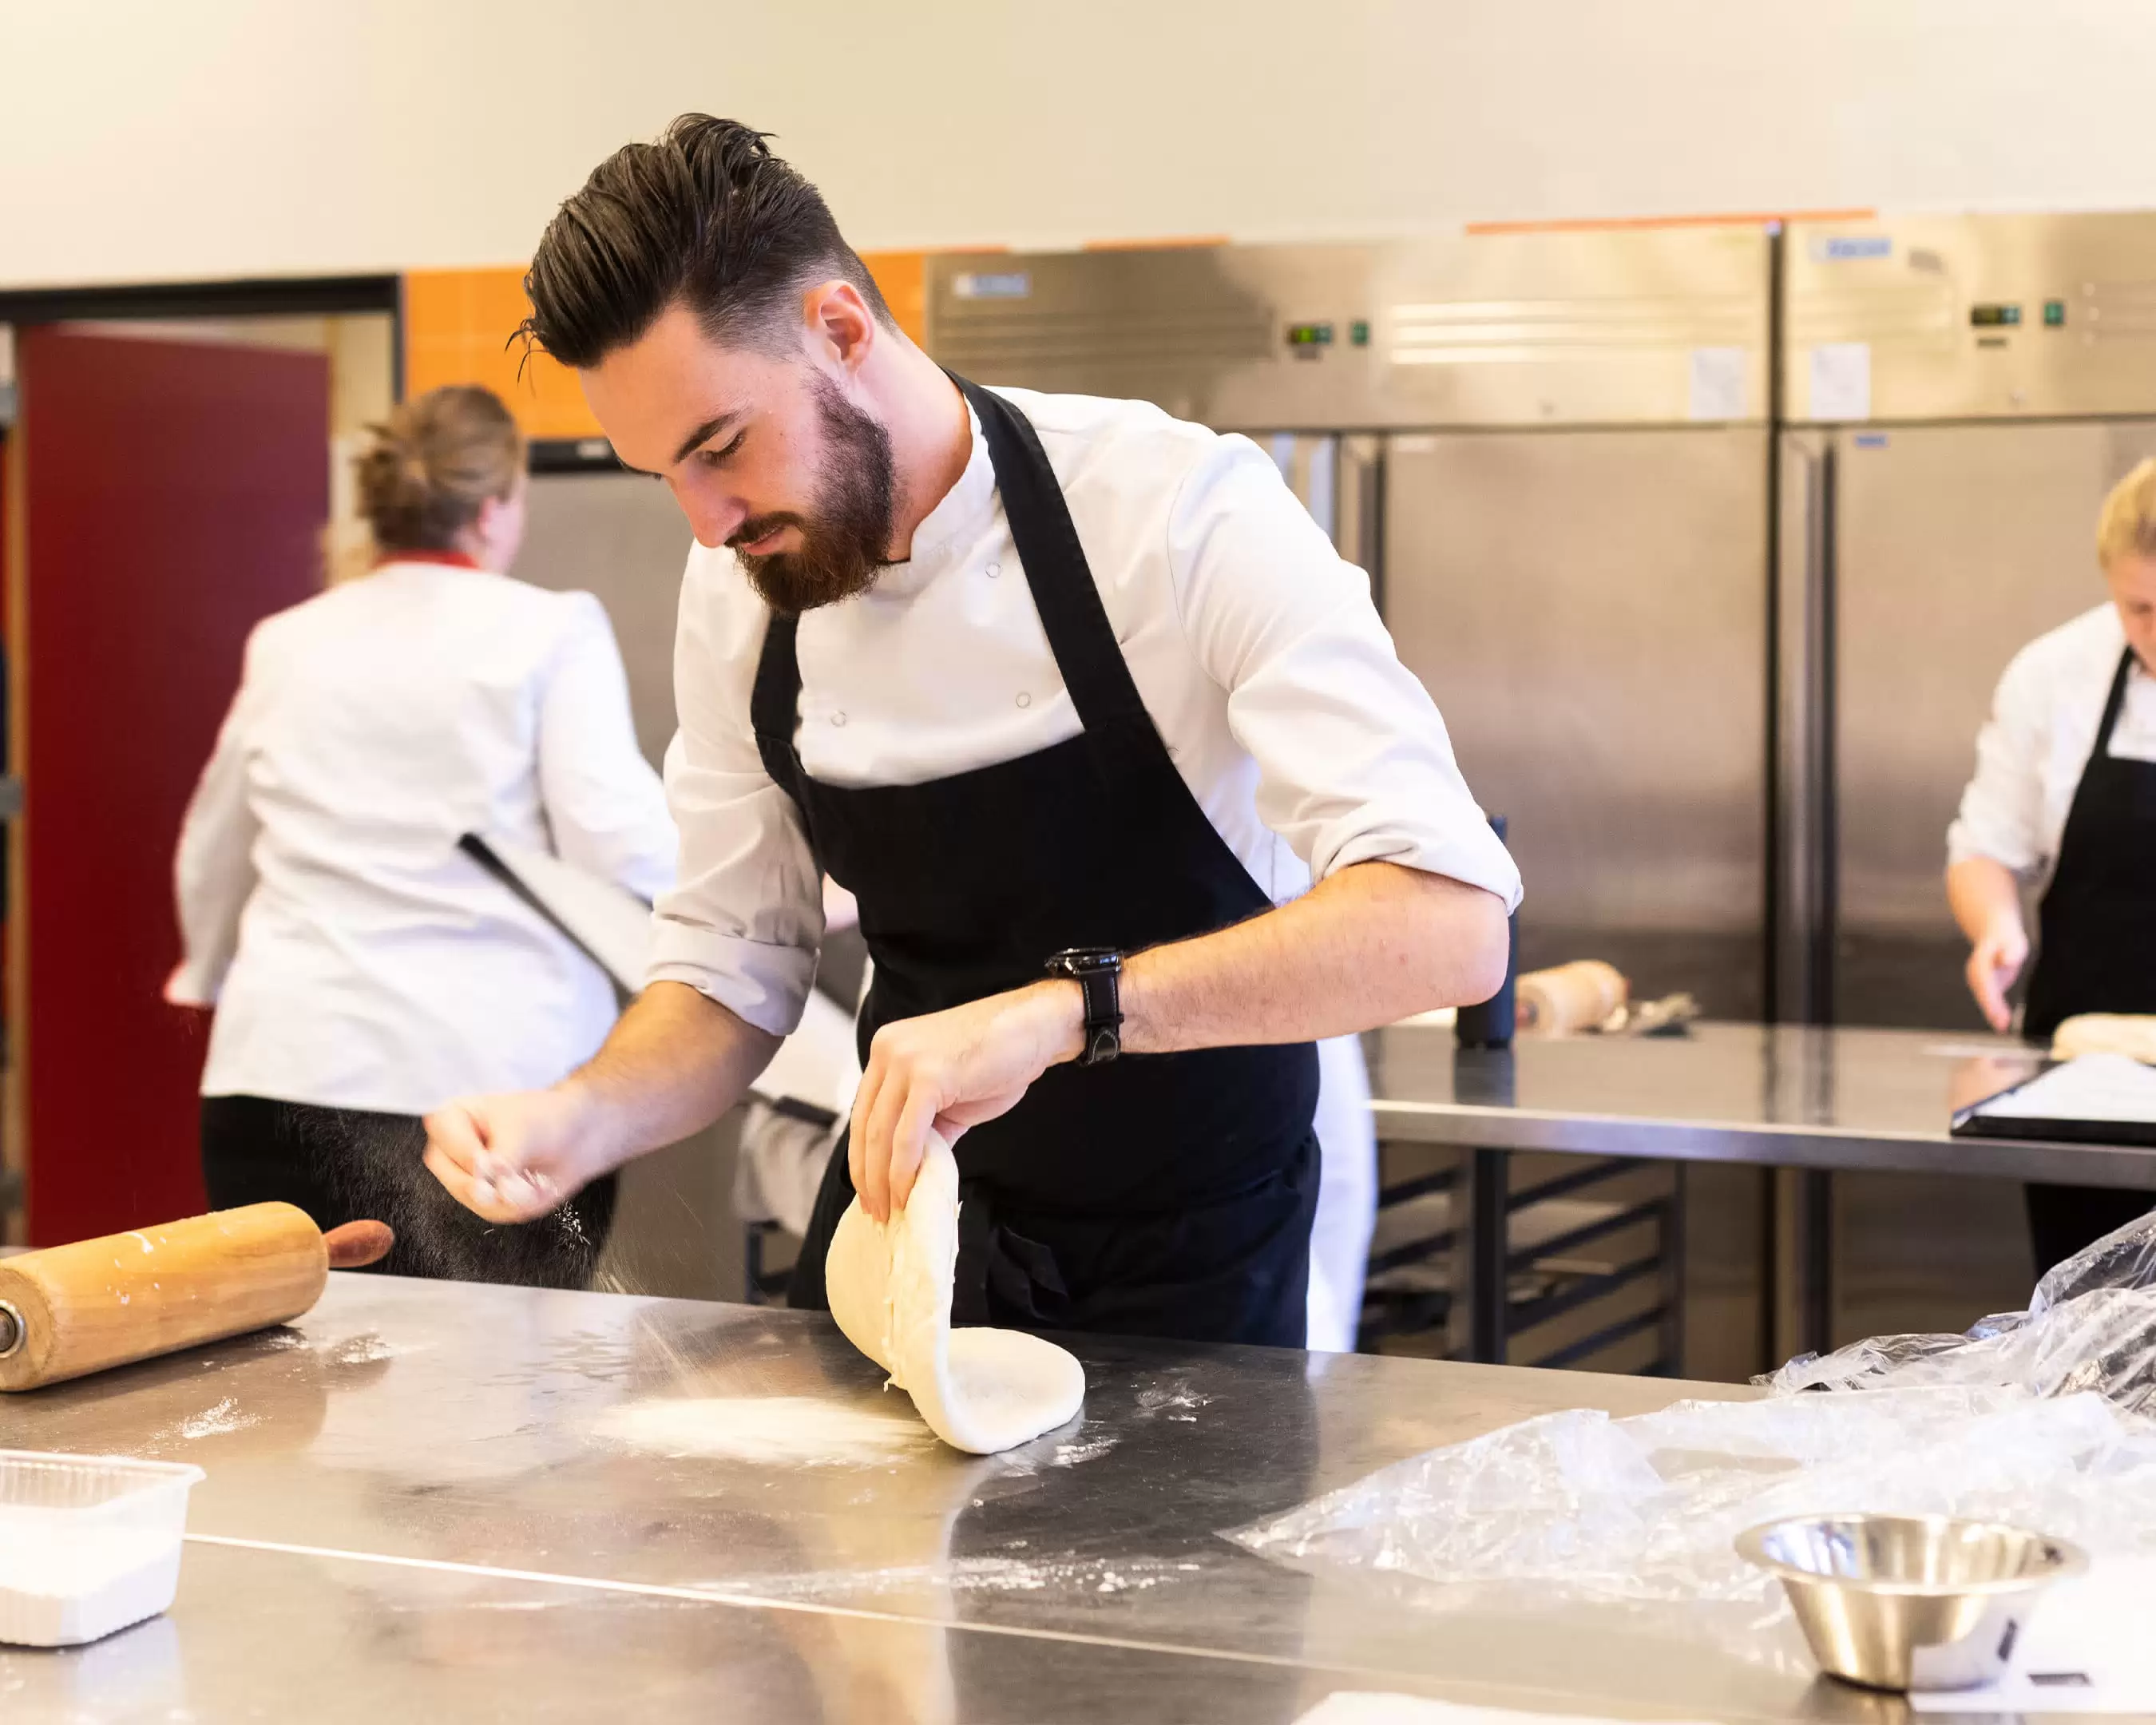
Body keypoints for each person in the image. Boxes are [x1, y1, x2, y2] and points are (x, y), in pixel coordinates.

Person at [422, 117, 1520, 1346]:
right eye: (662, 476)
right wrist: (584, 1118)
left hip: (1198, 1263)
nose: (706, 523)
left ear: (840, 329)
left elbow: (1450, 920)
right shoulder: (738, 588)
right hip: (904, 1251)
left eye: (721, 447)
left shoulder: (1173, 512)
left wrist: (1069, 1011)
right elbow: (735, 958)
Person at [170, 384, 676, 1286]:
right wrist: (779, 904)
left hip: (284, 1075)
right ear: (492, 510)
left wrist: (207, 974)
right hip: (493, 1096)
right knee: (496, 1401)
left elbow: (213, 847)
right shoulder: (550, 631)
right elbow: (620, 843)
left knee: (282, 1394)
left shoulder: (289, 641)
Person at [1948, 456, 2156, 1274]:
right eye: (2140, 608)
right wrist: (1995, 926)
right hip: (2086, 1096)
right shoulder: (2055, 673)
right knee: (2090, 1340)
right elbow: (1986, 849)